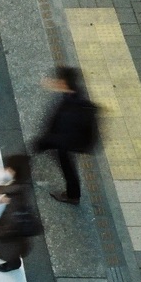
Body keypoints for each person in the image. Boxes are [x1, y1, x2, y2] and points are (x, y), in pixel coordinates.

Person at [32, 66, 97, 206]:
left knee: (67, 166)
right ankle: (73, 194)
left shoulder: (71, 110)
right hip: (66, 140)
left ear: (64, 83)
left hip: (66, 143)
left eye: (58, 81)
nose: (55, 83)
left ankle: (73, 196)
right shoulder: (74, 94)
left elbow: (62, 134)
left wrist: (45, 142)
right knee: (64, 163)